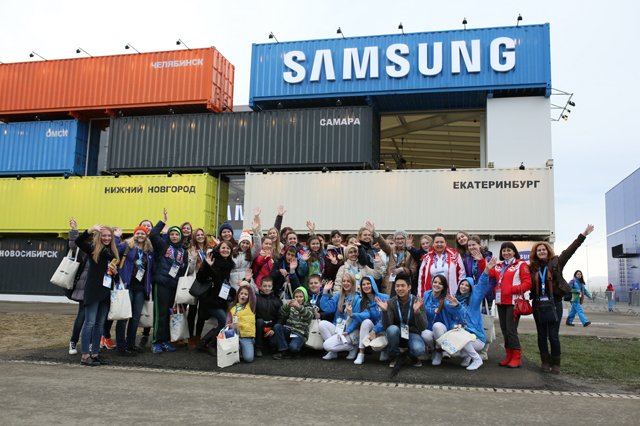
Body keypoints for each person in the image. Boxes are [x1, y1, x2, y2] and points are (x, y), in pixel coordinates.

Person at [529, 225, 593, 374]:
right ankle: (545, 361)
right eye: (539, 250)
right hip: (538, 304)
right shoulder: (531, 268)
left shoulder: (557, 261)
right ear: (535, 253)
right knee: (541, 335)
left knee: (553, 335)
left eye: (544, 249)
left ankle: (556, 362)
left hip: (554, 303)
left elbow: (572, 249)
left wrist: (583, 235)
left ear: (548, 251)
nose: (542, 251)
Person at [74, 223, 119, 366]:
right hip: (93, 291)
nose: (106, 238)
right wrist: (90, 230)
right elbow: (78, 241)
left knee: (100, 324)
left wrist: (116, 273)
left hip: (105, 292)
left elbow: (114, 278)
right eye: (104, 235)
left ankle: (95, 354)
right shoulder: (92, 249)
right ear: (99, 236)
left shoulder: (113, 254)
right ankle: (85, 355)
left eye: (109, 236)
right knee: (90, 323)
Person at [148, 208, 190, 354]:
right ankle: (156, 342)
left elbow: (183, 270)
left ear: (180, 237)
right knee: (160, 314)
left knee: (169, 314)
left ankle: (165, 340)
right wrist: (163, 221)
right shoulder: (162, 246)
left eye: (176, 234)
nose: (174, 236)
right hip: (161, 284)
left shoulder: (183, 252)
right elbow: (152, 234)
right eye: (171, 234)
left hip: (173, 287)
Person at [488, 242, 532, 368]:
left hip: (513, 303)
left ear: (514, 252)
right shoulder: (498, 266)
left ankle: (517, 357)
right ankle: (509, 355)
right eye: (504, 250)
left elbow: (527, 283)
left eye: (509, 250)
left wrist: (515, 289)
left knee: (511, 330)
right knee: (504, 330)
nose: (506, 253)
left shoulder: (521, 264)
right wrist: (482, 262)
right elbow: (486, 273)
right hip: (501, 302)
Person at [451, 256, 499, 371]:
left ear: (471, 288)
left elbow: (482, 286)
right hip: (465, 335)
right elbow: (455, 319)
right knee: (453, 346)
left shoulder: (474, 299)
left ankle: (477, 359)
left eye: (467, 285)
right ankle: (467, 357)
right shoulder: (456, 300)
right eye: (462, 284)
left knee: (461, 338)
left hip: (476, 338)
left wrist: (486, 270)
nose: (464, 287)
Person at [114, 224, 155, 356]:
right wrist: (116, 237)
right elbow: (113, 250)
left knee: (136, 317)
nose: (140, 235)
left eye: (142, 233)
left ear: (146, 235)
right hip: (128, 285)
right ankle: (121, 346)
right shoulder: (127, 245)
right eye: (138, 233)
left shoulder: (149, 250)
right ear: (134, 234)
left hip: (140, 287)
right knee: (124, 316)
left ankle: (131, 344)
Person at [194, 245, 236, 356]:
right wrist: (207, 265)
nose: (226, 250)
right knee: (223, 321)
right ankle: (210, 345)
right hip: (210, 299)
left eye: (228, 248)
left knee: (225, 321)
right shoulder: (213, 260)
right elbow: (200, 277)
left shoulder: (228, 264)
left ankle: (203, 343)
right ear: (218, 249)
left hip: (220, 299)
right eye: (223, 248)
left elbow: (222, 282)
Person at [380, 273, 428, 367]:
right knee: (392, 329)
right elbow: (387, 326)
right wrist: (385, 311)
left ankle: (410, 354)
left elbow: (423, 327)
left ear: (409, 287)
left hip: (412, 333)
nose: (400, 288)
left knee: (419, 349)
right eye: (397, 286)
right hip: (397, 333)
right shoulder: (391, 303)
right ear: (394, 288)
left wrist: (417, 312)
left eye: (403, 285)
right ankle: (396, 354)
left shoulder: (417, 302)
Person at [366, 222, 417, 296]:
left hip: (403, 283)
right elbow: (383, 244)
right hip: (390, 284)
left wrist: (403, 269)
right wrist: (374, 232)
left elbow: (414, 270)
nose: (399, 241)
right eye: (397, 239)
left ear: (406, 239)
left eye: (402, 238)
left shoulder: (411, 251)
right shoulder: (392, 250)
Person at [319, 274, 361, 360]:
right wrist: (325, 292)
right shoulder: (339, 296)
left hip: (349, 331)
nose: (345, 283)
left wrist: (347, 331)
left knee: (326, 345)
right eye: (344, 281)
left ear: (353, 283)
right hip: (338, 327)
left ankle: (352, 347)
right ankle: (333, 352)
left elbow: (357, 320)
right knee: (322, 324)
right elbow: (326, 307)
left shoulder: (357, 299)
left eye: (348, 281)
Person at [421, 274, 460, 365]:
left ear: (444, 287)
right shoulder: (426, 294)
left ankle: (439, 351)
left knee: (437, 325)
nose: (437, 285)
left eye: (440, 284)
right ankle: (434, 349)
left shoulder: (445, 299)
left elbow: (453, 310)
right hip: (429, 329)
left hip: (442, 330)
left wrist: (457, 305)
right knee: (424, 334)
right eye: (435, 282)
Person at [351, 276, 390, 364]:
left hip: (384, 329)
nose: (366, 286)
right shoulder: (366, 302)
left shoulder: (384, 297)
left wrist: (374, 331)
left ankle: (385, 349)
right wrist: (352, 314)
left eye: (368, 283)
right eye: (363, 284)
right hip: (375, 329)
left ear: (373, 285)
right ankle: (361, 354)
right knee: (366, 322)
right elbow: (365, 315)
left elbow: (386, 318)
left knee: (376, 347)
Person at [67, 217, 90, 355]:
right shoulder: (88, 249)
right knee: (82, 315)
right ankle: (73, 342)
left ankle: (91, 344)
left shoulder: (109, 251)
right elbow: (75, 245)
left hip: (99, 289)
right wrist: (74, 230)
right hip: (85, 288)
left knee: (94, 319)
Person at [186, 228, 211, 349]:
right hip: (195, 283)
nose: (200, 237)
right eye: (198, 235)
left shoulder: (210, 250)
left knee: (202, 313)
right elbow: (190, 270)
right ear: (194, 237)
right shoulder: (191, 250)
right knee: (192, 311)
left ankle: (198, 336)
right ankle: (190, 337)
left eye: (202, 234)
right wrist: (194, 257)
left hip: (206, 285)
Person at [418, 232, 466, 297]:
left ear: (446, 243)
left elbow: (461, 275)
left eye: (442, 242)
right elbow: (421, 278)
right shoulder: (427, 257)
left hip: (451, 296)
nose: (439, 244)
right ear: (433, 243)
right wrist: (421, 296)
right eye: (437, 242)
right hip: (433, 296)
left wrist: (460, 294)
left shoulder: (454, 255)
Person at [272, 287, 314, 359]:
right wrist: (287, 306)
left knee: (293, 348)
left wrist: (299, 307)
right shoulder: (292, 307)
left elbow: (309, 317)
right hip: (289, 330)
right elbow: (281, 312)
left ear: (305, 297)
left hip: (300, 333)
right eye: (296, 296)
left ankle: (298, 349)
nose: (298, 298)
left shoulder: (309, 307)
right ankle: (283, 350)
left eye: (301, 297)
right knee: (277, 326)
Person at [225, 280, 257, 362]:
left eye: (246, 294)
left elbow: (253, 297)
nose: (243, 296)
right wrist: (231, 326)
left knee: (249, 358)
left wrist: (248, 286)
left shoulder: (251, 306)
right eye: (242, 293)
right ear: (238, 295)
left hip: (246, 337)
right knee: (230, 357)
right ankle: (238, 352)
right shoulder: (231, 308)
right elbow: (226, 325)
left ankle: (243, 351)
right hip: (234, 336)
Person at [254, 276, 282, 357]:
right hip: (259, 326)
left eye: (269, 286)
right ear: (260, 286)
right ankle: (258, 347)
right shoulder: (256, 298)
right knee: (259, 321)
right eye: (264, 286)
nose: (267, 288)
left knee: (274, 344)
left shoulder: (277, 300)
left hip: (271, 326)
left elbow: (280, 317)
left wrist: (274, 329)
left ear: (272, 287)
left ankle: (270, 345)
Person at [229, 222, 261, 293]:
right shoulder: (232, 252)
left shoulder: (250, 254)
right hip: (233, 281)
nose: (245, 245)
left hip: (246, 280)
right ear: (240, 243)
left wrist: (255, 232)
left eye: (247, 243)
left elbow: (258, 247)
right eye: (243, 243)